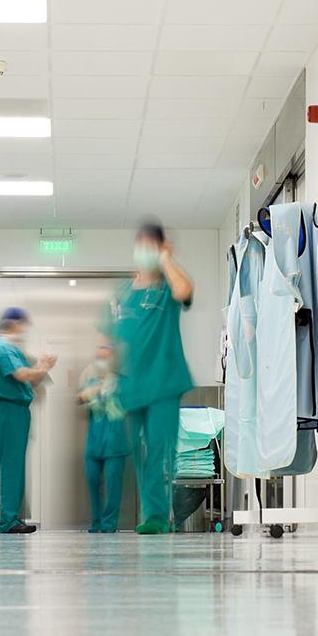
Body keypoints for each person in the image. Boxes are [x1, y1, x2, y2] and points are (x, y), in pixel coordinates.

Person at [105, 221, 194, 535]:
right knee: (141, 455)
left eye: (150, 246)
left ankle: (156, 516)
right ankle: (152, 512)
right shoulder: (123, 293)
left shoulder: (169, 285)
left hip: (164, 384)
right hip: (132, 387)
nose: (143, 251)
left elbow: (186, 290)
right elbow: (113, 340)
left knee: (159, 449)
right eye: (139, 244)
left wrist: (167, 260)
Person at [0, 307, 56, 534]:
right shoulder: (3, 347)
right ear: (13, 324)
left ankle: (11, 519)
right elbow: (21, 375)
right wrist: (42, 367)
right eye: (22, 326)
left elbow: (26, 380)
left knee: (13, 465)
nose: (24, 331)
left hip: (14, 410)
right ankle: (7, 521)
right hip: (9, 411)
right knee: (11, 466)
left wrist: (39, 369)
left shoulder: (9, 349)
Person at [78, 340, 130, 533]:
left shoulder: (122, 383)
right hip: (94, 444)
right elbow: (79, 399)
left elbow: (127, 405)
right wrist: (89, 393)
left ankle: (109, 524)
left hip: (115, 444)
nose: (101, 361)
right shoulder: (90, 381)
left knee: (113, 486)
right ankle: (96, 522)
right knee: (92, 481)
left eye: (105, 357)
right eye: (99, 357)